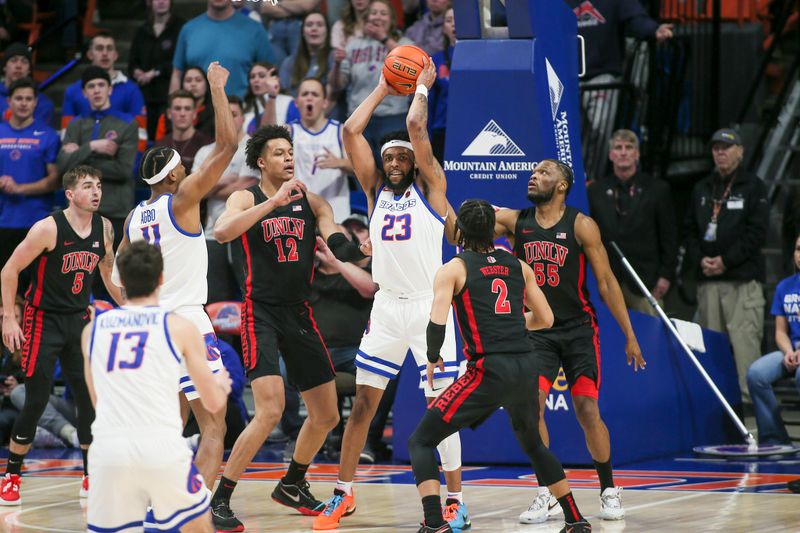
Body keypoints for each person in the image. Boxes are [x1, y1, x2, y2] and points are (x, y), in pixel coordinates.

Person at [313, 63, 469, 532]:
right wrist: (383, 86)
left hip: (429, 306)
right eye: (392, 157)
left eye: (405, 156)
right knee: (362, 404)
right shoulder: (375, 189)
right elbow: (351, 132)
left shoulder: (432, 187)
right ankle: (343, 493)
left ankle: (456, 500)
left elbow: (416, 125)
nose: (398, 161)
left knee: (441, 407)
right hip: (386, 308)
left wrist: (421, 84)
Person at [408, 199, 591, 533]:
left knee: (420, 441)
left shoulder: (454, 268)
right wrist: (509, 324)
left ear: (459, 230)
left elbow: (436, 324)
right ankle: (575, 519)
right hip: (525, 366)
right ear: (493, 229)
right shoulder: (518, 265)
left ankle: (434, 523)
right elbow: (546, 318)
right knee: (533, 443)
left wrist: (433, 357)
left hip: (488, 369)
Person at [209, 125, 357, 530]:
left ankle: (292, 482)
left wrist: (355, 249)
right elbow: (222, 232)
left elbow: (335, 235)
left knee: (326, 415)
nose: (288, 158)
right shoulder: (246, 196)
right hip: (260, 313)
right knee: (270, 408)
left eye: (290, 151)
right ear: (261, 161)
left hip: (300, 312)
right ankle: (220, 498)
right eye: (279, 153)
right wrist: (272, 202)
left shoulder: (311, 199)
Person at [492, 159, 645, 523]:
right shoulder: (515, 221)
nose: (535, 175)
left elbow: (606, 282)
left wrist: (630, 335)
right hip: (537, 330)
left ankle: (608, 488)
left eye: (544, 172)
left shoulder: (581, 224)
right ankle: (546, 491)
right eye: (534, 171)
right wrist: (435, 191)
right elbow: (461, 230)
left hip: (578, 329)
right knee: (533, 408)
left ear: (562, 186)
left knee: (587, 410)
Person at [114, 61, 237, 493]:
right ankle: (193, 513)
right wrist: (217, 89)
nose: (187, 169)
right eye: (181, 166)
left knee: (168, 422)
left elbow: (117, 281)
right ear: (170, 176)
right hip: (186, 320)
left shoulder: (133, 217)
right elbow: (227, 144)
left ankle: (153, 500)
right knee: (214, 424)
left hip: (150, 324)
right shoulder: (182, 200)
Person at [83, 240, 231, 533]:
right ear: (162, 279)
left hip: (109, 450)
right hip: (159, 448)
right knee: (198, 527)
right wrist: (221, 384)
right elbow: (213, 403)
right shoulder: (179, 327)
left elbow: (97, 401)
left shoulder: (92, 330)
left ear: (121, 280)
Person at [0, 165, 122, 505]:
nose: (96, 191)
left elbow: (108, 271)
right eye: (88, 186)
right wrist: (10, 318)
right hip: (43, 320)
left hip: (80, 321)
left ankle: (90, 475)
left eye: (99, 185)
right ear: (70, 194)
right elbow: (9, 270)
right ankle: (11, 475)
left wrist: (133, 303)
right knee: (36, 398)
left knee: (87, 399)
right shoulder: (48, 228)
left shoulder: (105, 228)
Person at [684, 128, 768, 403]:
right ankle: (717, 415)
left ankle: (753, 419)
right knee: (710, 354)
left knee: (746, 354)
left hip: (741, 282)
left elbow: (757, 233)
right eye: (716, 148)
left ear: (740, 151)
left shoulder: (753, 186)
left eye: (726, 147)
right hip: (708, 283)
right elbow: (690, 231)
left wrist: (725, 261)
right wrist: (700, 259)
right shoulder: (701, 188)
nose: (720, 152)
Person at [587, 129, 677, 315]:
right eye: (618, 147)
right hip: (607, 282)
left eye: (629, 147)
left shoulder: (657, 189)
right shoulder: (595, 191)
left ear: (637, 154)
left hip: (646, 280)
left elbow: (669, 236)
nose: (623, 152)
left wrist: (666, 276)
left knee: (651, 340)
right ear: (611, 155)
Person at [56, 66, 139, 250]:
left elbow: (123, 170)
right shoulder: (75, 125)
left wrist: (79, 156)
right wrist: (93, 147)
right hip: (78, 213)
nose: (96, 90)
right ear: (84, 93)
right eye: (91, 86)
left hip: (114, 212)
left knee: (110, 276)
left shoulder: (127, 124)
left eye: (101, 85)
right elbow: (62, 166)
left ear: (110, 89)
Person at [197, 95, 260, 304]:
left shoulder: (251, 146)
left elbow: (246, 186)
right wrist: (228, 180)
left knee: (249, 295)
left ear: (243, 118)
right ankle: (219, 338)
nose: (230, 119)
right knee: (214, 300)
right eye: (225, 115)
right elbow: (193, 191)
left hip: (245, 232)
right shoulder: (205, 152)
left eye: (234, 115)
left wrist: (210, 184)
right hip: (211, 233)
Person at [0, 78, 60, 297]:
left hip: (36, 223)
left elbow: (55, 180)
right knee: (3, 288)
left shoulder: (48, 135)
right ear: (9, 101)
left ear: (36, 102)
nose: (23, 103)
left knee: (35, 290)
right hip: (3, 221)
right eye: (18, 98)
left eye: (28, 99)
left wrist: (20, 188)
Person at [330, 0, 413, 152]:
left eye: (383, 13)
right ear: (366, 18)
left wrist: (383, 38)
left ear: (392, 19)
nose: (378, 17)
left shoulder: (403, 43)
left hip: (393, 116)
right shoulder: (353, 45)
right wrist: (336, 65)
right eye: (374, 13)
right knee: (361, 172)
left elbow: (412, 66)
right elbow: (338, 84)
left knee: (394, 171)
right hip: (359, 117)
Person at [746, 234, 800, 445]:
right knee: (756, 373)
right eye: (797, 249)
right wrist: (788, 352)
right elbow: (780, 331)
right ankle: (774, 440)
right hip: (791, 349)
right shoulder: (784, 287)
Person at [170, 0, 275, 99]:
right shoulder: (188, 30)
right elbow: (177, 74)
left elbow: (270, 74)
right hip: (197, 114)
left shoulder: (254, 30)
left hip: (242, 111)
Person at [61, 33, 148, 151]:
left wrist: (131, 166)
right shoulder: (73, 91)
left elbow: (140, 135)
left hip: (119, 164)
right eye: (99, 48)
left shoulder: (132, 90)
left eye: (109, 48)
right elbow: (66, 138)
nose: (105, 53)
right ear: (89, 54)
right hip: (82, 165)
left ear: (116, 55)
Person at [289, 78, 353, 222]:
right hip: (300, 211)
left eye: (315, 94)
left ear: (325, 102)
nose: (309, 98)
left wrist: (340, 163)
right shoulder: (288, 131)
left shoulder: (340, 130)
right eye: (305, 94)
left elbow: (362, 171)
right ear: (296, 102)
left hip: (336, 211)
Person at [128, 0, 186, 140]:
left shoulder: (181, 27)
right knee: (143, 138)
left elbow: (181, 61)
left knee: (164, 139)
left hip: (167, 93)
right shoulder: (142, 30)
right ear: (149, 2)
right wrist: (136, 71)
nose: (161, 2)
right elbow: (132, 62)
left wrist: (155, 72)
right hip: (145, 95)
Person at [155, 90, 213, 172]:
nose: (182, 113)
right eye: (177, 108)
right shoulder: (160, 145)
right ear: (169, 113)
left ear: (195, 113)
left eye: (187, 108)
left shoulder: (207, 144)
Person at [155, 66, 216, 141]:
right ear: (182, 85)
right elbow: (159, 145)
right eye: (188, 80)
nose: (193, 84)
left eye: (198, 80)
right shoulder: (167, 115)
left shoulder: (215, 113)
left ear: (206, 85)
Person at [0, 42, 55, 126]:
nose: (18, 66)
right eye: (13, 60)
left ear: (29, 70)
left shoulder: (43, 103)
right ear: (4, 67)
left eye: (24, 61)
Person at [279, 12, 332, 97]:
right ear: (302, 32)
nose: (314, 29)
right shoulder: (289, 63)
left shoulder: (333, 59)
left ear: (327, 31)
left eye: (319, 25)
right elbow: (284, 96)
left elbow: (334, 95)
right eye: (309, 25)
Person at [428, 6, 454, 163]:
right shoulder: (436, 60)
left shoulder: (480, 57)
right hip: (441, 129)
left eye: (459, 20)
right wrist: (426, 134)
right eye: (449, 21)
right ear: (444, 28)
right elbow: (429, 102)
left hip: (469, 127)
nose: (454, 25)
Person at [260, 0, 322, 67]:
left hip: (301, 27)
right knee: (274, 69)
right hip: (276, 29)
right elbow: (265, 7)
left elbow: (307, 6)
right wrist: (295, 9)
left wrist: (278, 2)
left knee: (300, 67)